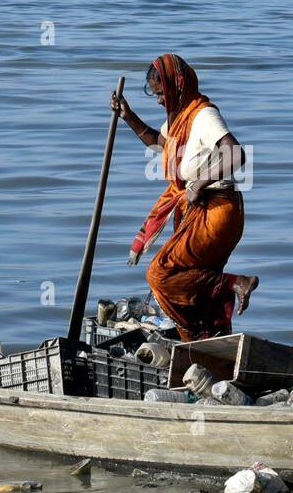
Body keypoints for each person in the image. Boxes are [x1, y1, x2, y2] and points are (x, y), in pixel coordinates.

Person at [110, 54, 258, 341]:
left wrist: (198, 183)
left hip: (216, 211)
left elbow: (236, 153)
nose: (159, 101)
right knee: (195, 286)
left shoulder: (203, 115)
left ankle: (235, 284)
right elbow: (158, 143)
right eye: (155, 96)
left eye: (160, 94)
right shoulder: (180, 120)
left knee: (160, 274)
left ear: (176, 87)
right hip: (201, 213)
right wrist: (127, 116)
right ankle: (210, 346)